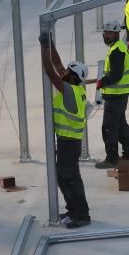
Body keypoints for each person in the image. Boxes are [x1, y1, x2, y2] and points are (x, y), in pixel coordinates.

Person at [39, 32, 91, 229]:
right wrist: (51, 44)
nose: (63, 71)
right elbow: (58, 65)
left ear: (73, 76)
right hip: (68, 141)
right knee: (64, 177)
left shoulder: (69, 90)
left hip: (69, 143)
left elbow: (50, 71)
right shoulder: (74, 87)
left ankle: (82, 214)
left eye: (68, 71)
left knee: (69, 178)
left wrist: (44, 47)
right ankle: (73, 209)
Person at [94, 21, 129, 169]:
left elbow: (116, 75)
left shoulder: (117, 50)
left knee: (109, 127)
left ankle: (112, 159)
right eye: (105, 33)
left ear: (116, 34)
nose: (106, 35)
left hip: (115, 95)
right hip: (120, 95)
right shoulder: (119, 47)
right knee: (121, 125)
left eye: (109, 33)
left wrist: (102, 82)